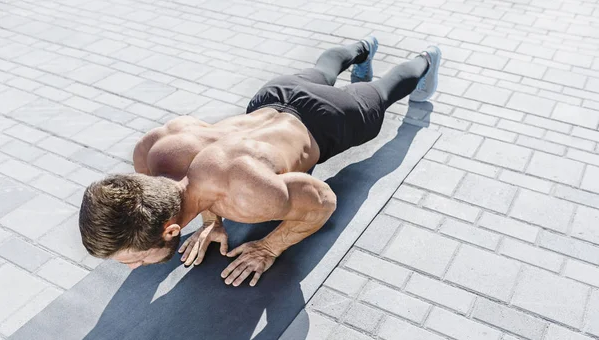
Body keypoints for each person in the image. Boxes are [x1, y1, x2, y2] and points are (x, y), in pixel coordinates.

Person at [79, 37, 441, 287]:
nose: (133, 266)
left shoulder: (250, 200)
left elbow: (323, 202)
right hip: (274, 95)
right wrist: (210, 219)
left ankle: (427, 58)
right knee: (323, 67)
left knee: (385, 89)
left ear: (172, 230)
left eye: (133, 259)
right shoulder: (156, 151)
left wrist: (269, 246)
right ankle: (363, 47)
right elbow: (202, 174)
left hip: (331, 120)